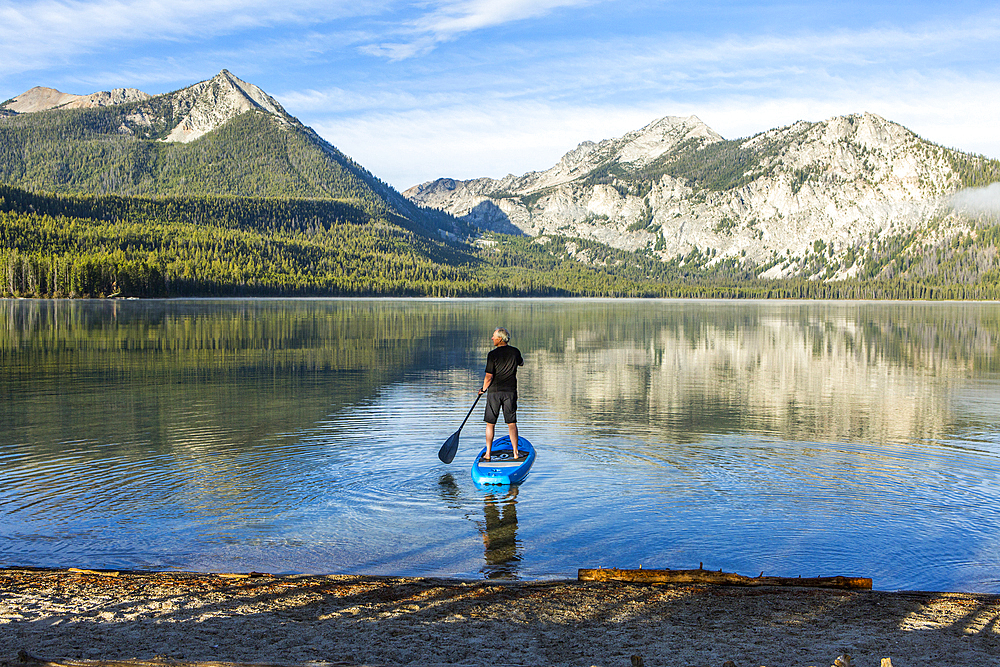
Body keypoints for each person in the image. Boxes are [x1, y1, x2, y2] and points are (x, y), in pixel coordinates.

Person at [479, 327, 524, 461]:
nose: (492, 338)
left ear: (500, 339)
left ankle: (488, 453)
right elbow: (521, 363)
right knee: (511, 423)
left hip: (494, 393)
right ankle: (516, 453)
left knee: (490, 423)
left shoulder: (492, 355)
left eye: (494, 336)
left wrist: (483, 389)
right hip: (510, 392)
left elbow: (488, 377)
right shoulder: (515, 352)